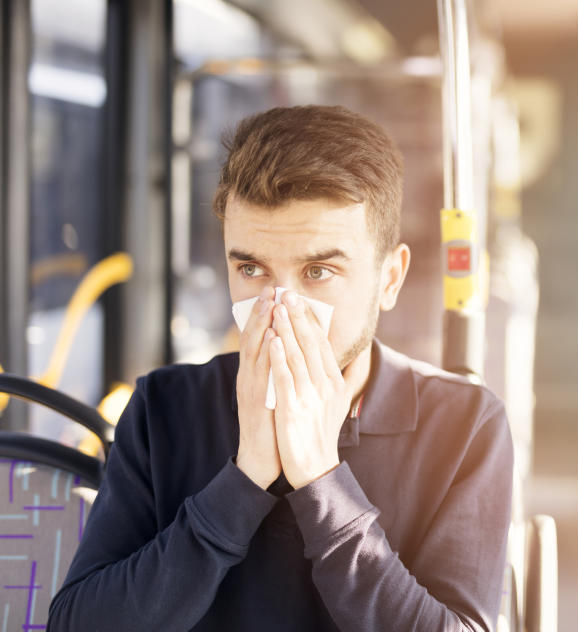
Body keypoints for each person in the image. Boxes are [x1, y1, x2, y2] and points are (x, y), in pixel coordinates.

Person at [48, 105, 513, 631]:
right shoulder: (164, 407)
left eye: (318, 271)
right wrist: (243, 481)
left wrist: (321, 480)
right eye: (251, 269)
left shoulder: (465, 426)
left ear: (389, 279)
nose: (279, 308)